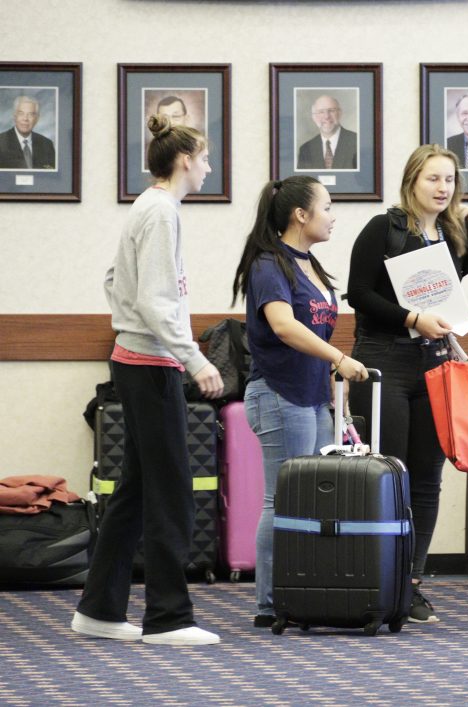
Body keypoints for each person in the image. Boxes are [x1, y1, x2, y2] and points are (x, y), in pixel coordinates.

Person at [346, 144, 468, 623]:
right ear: (412, 181)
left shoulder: (457, 234)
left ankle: (410, 582)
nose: (442, 188)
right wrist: (411, 316)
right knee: (389, 477)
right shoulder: (384, 229)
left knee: (427, 478)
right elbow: (358, 294)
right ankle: (376, 578)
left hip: (434, 363)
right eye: (433, 179)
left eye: (449, 179)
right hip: (385, 360)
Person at [71, 114, 224, 646]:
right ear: (184, 161)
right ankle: (168, 618)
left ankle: (99, 609)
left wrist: (137, 330)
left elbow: (115, 281)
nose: (207, 167)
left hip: (134, 360)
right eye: (204, 158)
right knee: (171, 494)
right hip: (151, 366)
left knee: (135, 492)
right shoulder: (161, 212)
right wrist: (195, 360)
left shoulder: (149, 206)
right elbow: (158, 301)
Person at [231, 175, 369, 628]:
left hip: (312, 395)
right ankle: (271, 601)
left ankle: (299, 590)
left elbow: (316, 334)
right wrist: (339, 358)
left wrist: (336, 385)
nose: (333, 216)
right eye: (327, 207)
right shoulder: (269, 264)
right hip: (277, 393)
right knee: (283, 500)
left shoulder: (312, 266)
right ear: (300, 215)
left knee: (305, 501)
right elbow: (285, 328)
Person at [297, 95, 357, 170]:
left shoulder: (357, 142)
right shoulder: (305, 149)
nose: (326, 116)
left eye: (331, 110)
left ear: (340, 113)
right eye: (321, 112)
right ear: (313, 117)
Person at [0, 95, 56, 169]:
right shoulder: (1, 142)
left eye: (30, 114)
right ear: (14, 116)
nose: (25, 118)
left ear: (37, 118)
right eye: (21, 113)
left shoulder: (47, 145)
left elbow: (54, 177)